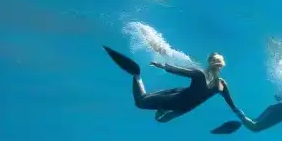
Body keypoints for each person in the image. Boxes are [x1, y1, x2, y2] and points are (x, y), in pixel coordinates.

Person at [103, 46, 247, 124]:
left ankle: (137, 76)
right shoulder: (221, 85)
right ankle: (136, 75)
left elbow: (178, 71)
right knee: (141, 102)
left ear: (209, 62)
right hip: (178, 101)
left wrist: (162, 65)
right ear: (222, 65)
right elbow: (232, 105)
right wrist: (242, 117)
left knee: (150, 106)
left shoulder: (201, 74)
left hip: (178, 97)